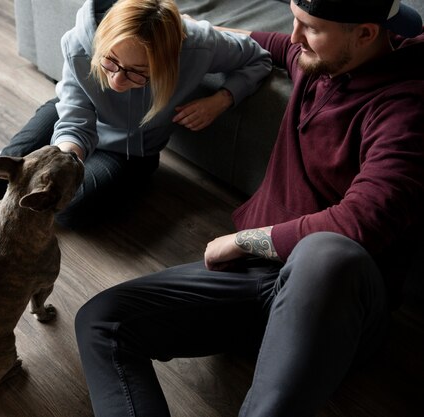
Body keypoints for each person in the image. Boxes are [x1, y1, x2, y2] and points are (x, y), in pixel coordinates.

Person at [74, 0, 424, 416]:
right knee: (100, 321)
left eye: (309, 27)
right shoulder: (326, 59)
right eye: (294, 19)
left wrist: (243, 241)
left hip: (335, 302)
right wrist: (189, 29)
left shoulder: (407, 107)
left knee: (326, 252)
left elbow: (366, 219)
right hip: (257, 278)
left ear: (365, 33)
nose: (295, 36)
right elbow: (278, 45)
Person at [0, 0, 271, 287]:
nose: (118, 80)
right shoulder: (81, 43)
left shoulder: (198, 45)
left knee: (76, 209)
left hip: (129, 153)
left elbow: (259, 57)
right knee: (14, 170)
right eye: (111, 63)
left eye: (139, 73)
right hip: (73, 118)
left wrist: (221, 98)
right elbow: (77, 113)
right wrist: (66, 154)